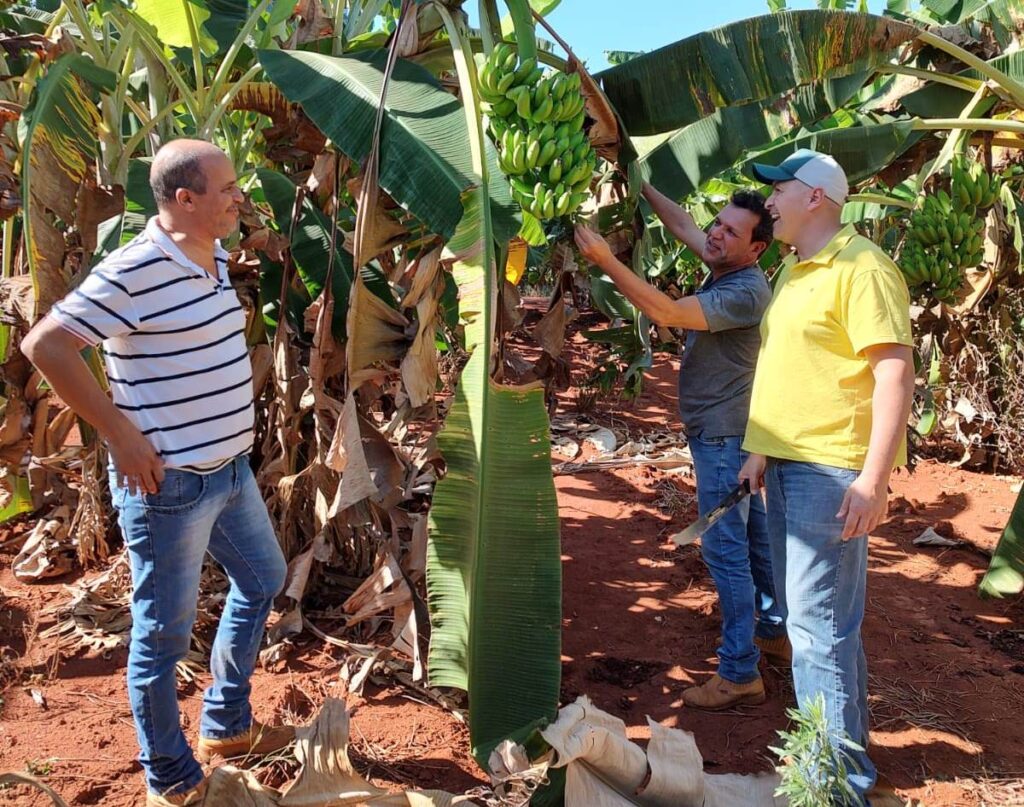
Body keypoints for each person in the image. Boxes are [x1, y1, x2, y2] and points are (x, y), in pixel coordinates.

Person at [21, 139, 293, 806]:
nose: (238, 199)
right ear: (185, 199)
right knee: (164, 636)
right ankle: (168, 776)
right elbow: (46, 344)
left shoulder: (212, 252)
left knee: (263, 579)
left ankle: (225, 725)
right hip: (169, 487)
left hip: (229, 471)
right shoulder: (135, 269)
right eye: (226, 189)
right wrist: (118, 434)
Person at [738, 149, 915, 804]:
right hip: (788, 462)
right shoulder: (794, 267)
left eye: (778, 189)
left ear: (815, 197)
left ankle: (833, 787)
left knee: (818, 631)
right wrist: (761, 448)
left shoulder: (864, 268)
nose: (768, 202)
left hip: (831, 471)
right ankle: (841, 766)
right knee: (816, 624)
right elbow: (790, 365)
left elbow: (894, 373)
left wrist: (873, 479)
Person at [575, 183, 787, 711]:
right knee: (755, 540)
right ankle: (773, 632)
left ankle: (739, 672)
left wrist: (605, 260)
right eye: (719, 223)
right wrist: (640, 179)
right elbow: (685, 225)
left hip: (724, 439)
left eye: (731, 231)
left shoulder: (745, 292)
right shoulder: (723, 259)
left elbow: (666, 313)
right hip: (729, 435)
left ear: (757, 248)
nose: (715, 234)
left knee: (725, 552)